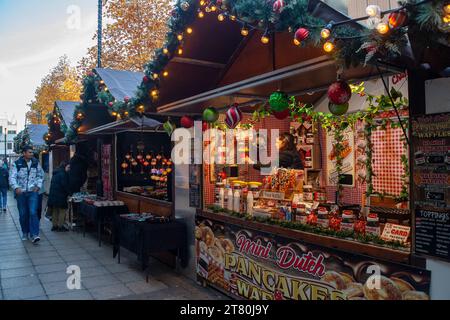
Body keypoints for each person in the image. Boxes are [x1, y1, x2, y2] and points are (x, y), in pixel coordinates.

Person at [9, 146, 44, 243]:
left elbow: (40, 175)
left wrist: (38, 186)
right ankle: (25, 232)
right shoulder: (16, 164)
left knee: (33, 212)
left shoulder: (36, 163)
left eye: (32, 152)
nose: (32, 154)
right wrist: (16, 187)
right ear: (24, 153)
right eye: (29, 152)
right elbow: (12, 177)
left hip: (33, 192)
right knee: (23, 214)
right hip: (21, 193)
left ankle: (34, 234)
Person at [47, 162, 70, 232]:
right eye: (68, 167)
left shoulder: (55, 173)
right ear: (64, 167)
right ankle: (60, 226)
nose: (69, 169)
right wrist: (69, 192)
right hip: (60, 195)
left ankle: (54, 226)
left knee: (55, 210)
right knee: (62, 210)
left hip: (53, 195)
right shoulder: (63, 174)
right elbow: (65, 185)